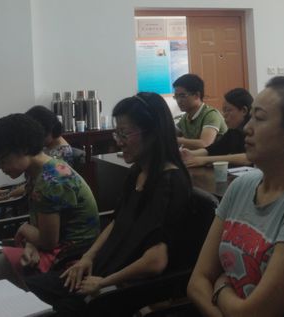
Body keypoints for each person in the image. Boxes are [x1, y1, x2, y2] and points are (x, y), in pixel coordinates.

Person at [27, 93, 192, 316]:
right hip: (102, 270)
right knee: (29, 290)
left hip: (121, 287)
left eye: (124, 133)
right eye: (117, 133)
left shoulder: (170, 183)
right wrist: (87, 257)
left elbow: (155, 261)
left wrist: (103, 282)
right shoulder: (137, 172)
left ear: (153, 133)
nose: (118, 141)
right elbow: (117, 222)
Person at [187, 77, 284, 317]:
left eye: (259, 118)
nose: (247, 128)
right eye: (250, 117)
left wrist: (221, 287)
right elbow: (198, 281)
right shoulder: (242, 186)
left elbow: (253, 314)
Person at [0, 114, 100, 275]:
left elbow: (48, 242)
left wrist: (24, 228)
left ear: (23, 149)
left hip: (71, 256)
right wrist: (31, 243)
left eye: (1, 159)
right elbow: (40, 226)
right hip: (55, 244)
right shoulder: (41, 169)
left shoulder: (50, 182)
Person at [182, 88, 252, 168]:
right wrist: (190, 153)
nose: (224, 115)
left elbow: (248, 157)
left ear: (244, 111)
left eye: (228, 110)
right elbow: (213, 149)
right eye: (224, 111)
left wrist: (204, 160)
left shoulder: (254, 130)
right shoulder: (233, 131)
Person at [173, 74, 227, 150]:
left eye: (182, 96)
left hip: (219, 157)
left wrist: (177, 140)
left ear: (197, 95)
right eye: (176, 96)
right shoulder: (186, 117)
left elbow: (205, 144)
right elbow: (171, 134)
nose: (178, 101)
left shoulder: (211, 114)